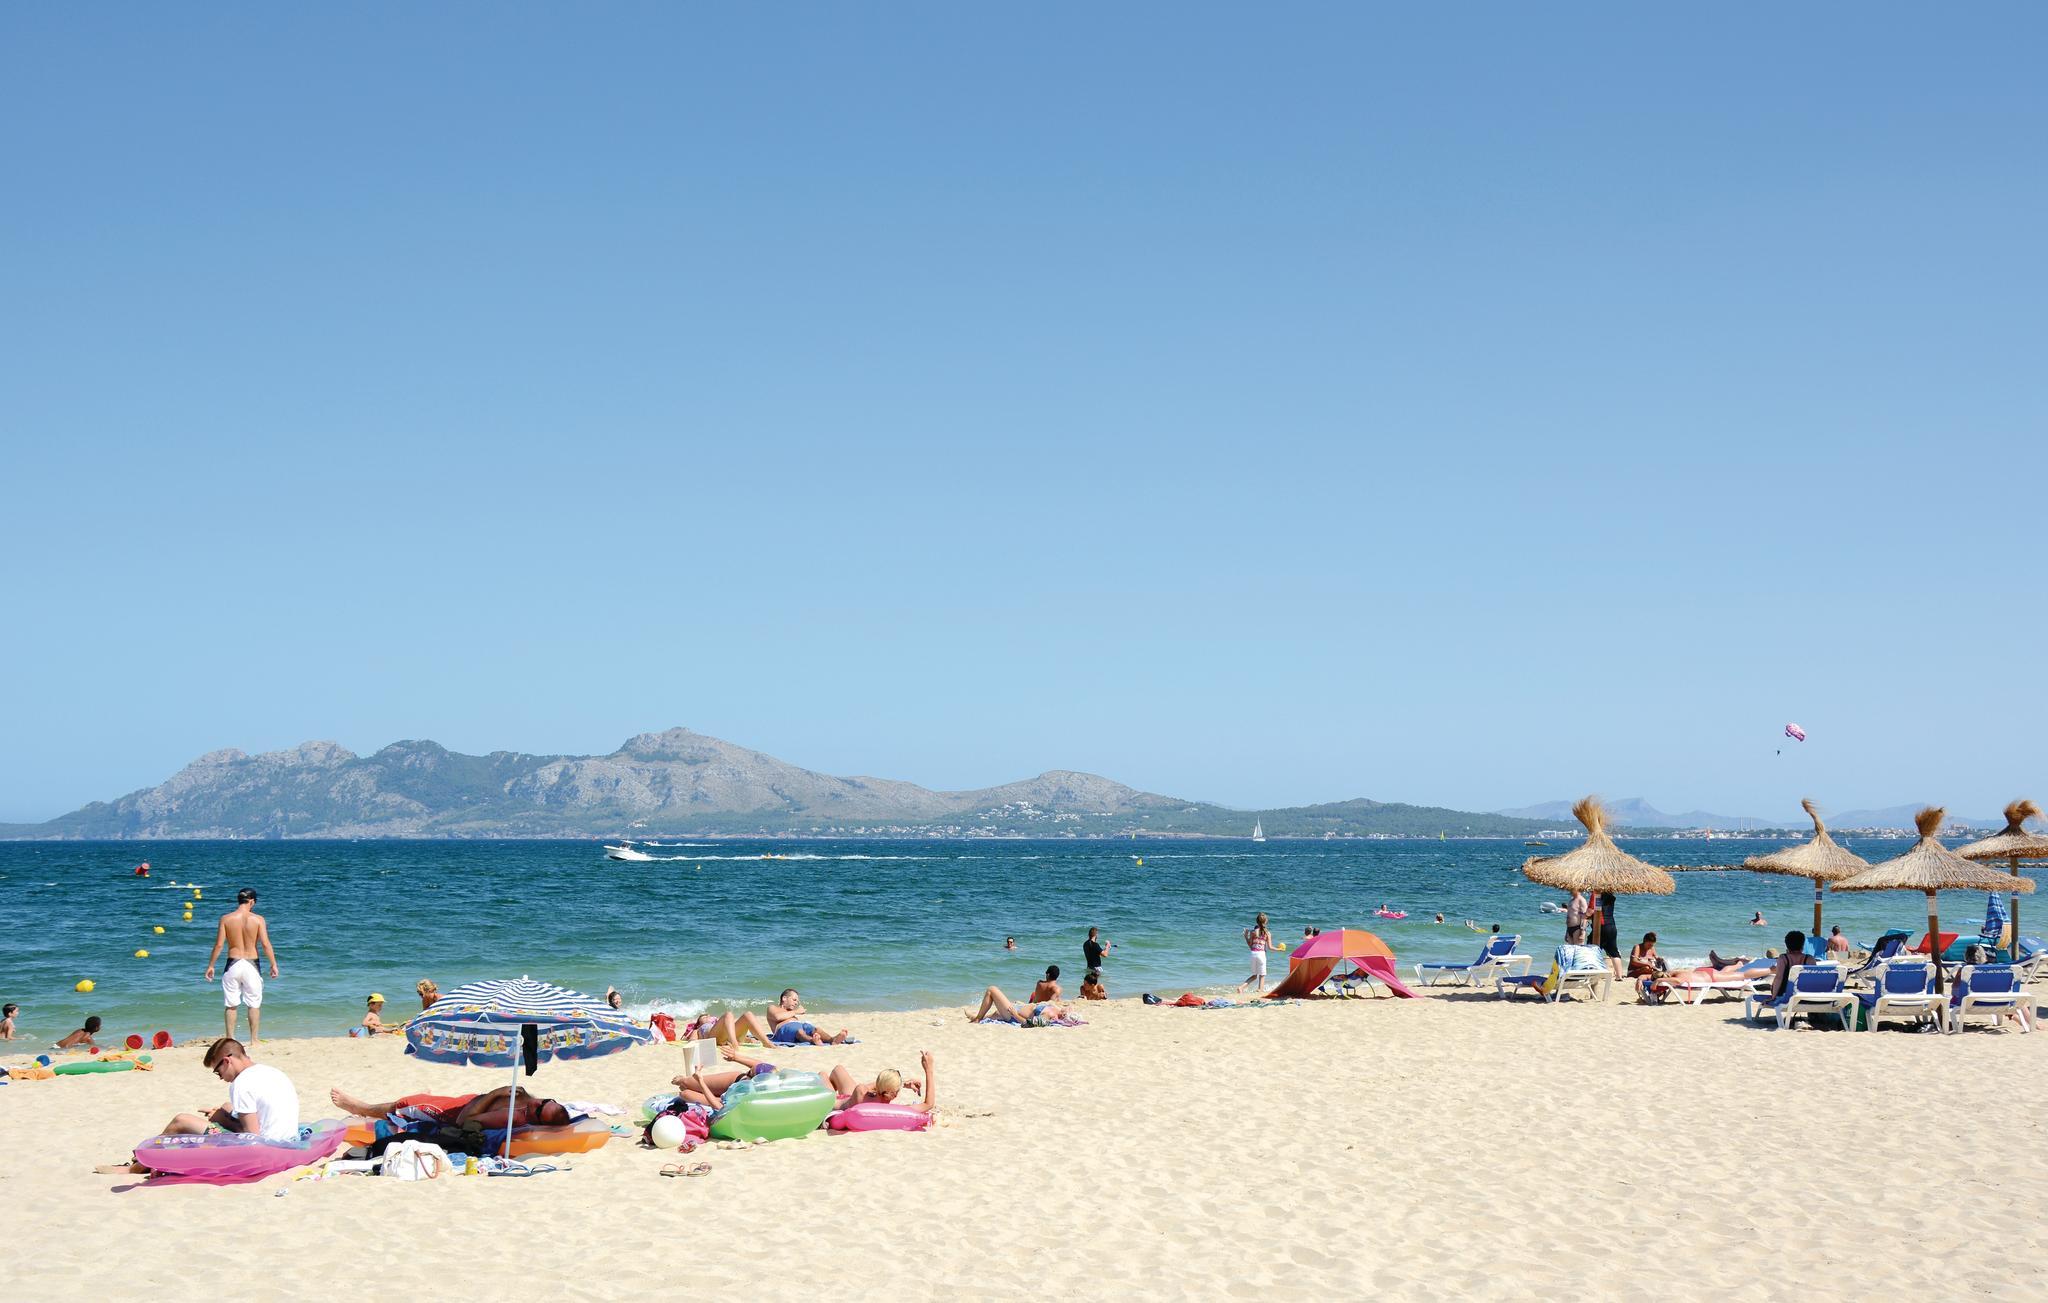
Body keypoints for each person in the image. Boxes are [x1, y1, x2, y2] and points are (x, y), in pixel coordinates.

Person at [330, 1083, 574, 1137]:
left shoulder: (511, 1116)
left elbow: (463, 1120)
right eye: (546, 1100)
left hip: (452, 1112)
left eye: (541, 1107)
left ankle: (359, 1107)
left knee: (405, 1104)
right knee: (419, 1099)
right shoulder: (533, 1107)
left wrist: (495, 1094)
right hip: (469, 1099)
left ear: (537, 1118)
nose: (539, 1101)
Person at [203, 888, 279, 1043]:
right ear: (252, 901)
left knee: (231, 1005)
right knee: (253, 1004)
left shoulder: (226, 919)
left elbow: (219, 945)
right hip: (251, 964)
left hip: (233, 963)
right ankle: (254, 1040)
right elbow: (265, 944)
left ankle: (230, 1039)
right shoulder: (258, 919)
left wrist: (211, 965)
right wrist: (273, 964)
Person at [821, 1050, 938, 1115]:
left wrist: (899, 1084)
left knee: (824, 1074)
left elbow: (875, 1086)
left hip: (836, 1102)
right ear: (895, 1095)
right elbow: (928, 1104)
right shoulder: (894, 1110)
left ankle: (826, 1081)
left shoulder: (861, 1092)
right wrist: (929, 1070)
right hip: (845, 1100)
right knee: (838, 1069)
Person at [967, 966, 1066, 1025]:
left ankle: (977, 1019)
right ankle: (976, 1017)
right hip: (1019, 1009)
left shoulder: (1040, 984)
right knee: (996, 1014)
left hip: (1014, 1014)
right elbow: (1051, 1002)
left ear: (1048, 974)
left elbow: (1030, 1024)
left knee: (991, 989)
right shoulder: (1056, 992)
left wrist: (1015, 1014)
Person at [765, 989, 851, 1045]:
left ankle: (832, 1040)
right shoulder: (773, 1008)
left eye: (797, 1001)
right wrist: (796, 1011)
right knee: (799, 1031)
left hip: (797, 1026)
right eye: (794, 1000)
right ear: (784, 998)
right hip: (783, 1030)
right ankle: (812, 1040)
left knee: (815, 1029)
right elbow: (777, 1017)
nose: (796, 1003)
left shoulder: (790, 1012)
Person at [1767, 930, 1812, 1000]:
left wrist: (1773, 997)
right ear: (1802, 944)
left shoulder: (1783, 958)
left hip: (1784, 994)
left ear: (1787, 945)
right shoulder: (1809, 958)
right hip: (1803, 993)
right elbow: (1812, 979)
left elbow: (1779, 978)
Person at [1240, 913, 1274, 992]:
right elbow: (1270, 947)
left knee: (1254, 975)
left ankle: (1241, 988)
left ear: (1257, 921)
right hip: (1261, 954)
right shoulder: (1267, 933)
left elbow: (1251, 946)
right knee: (1262, 975)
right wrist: (1279, 949)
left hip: (1253, 954)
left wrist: (1246, 937)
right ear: (1266, 921)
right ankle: (1260, 990)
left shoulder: (1253, 932)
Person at [1597, 892, 1622, 979]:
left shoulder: (1597, 896)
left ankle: (1594, 972)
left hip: (1601, 927)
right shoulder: (1611, 897)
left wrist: (1584, 915)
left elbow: (1593, 911)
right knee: (1613, 951)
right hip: (1612, 926)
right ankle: (1619, 976)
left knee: (1592, 949)